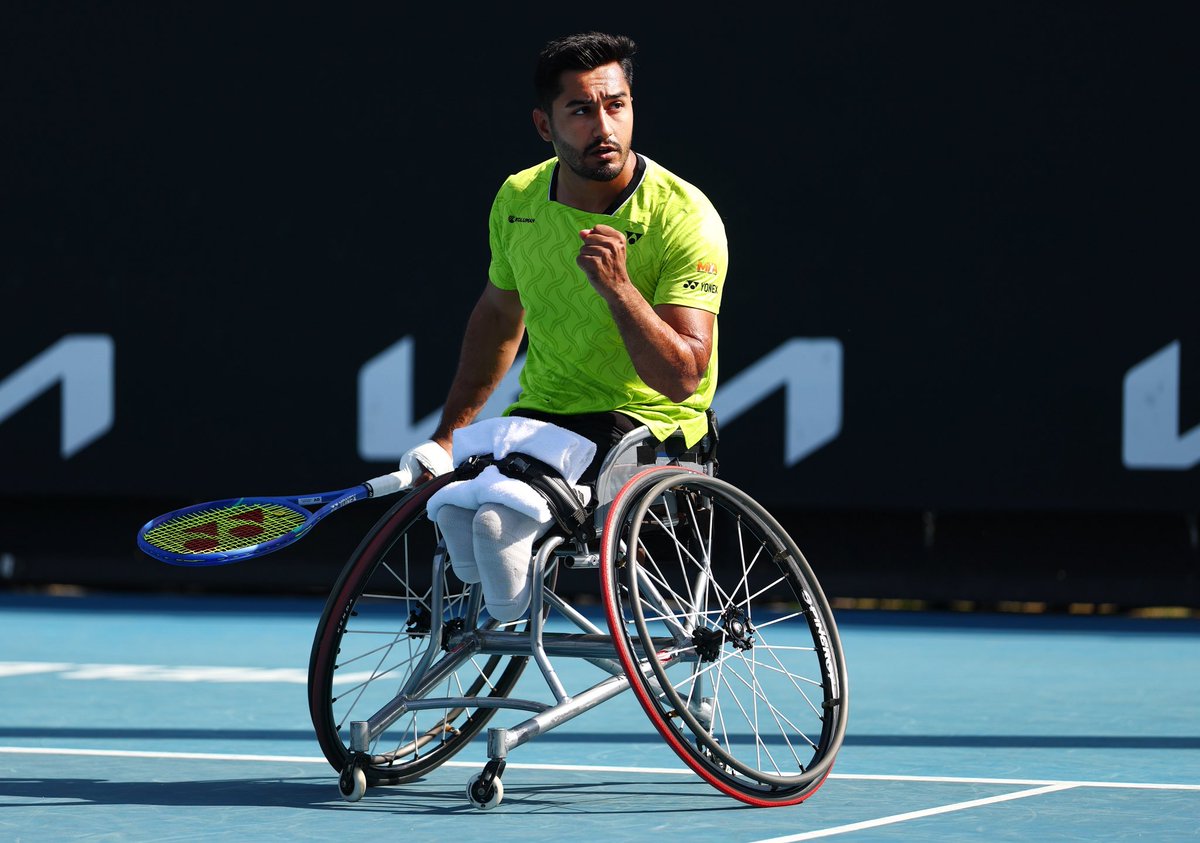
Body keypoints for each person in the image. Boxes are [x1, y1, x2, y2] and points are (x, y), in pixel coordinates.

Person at [395, 31, 728, 621]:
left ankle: (505, 622)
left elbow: (682, 378)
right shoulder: (518, 197)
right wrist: (447, 436)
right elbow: (499, 317)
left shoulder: (684, 216)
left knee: (496, 519)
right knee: (452, 508)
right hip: (545, 418)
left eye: (616, 105)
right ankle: (498, 641)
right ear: (544, 126)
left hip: (650, 428)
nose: (604, 126)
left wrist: (620, 289)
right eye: (580, 110)